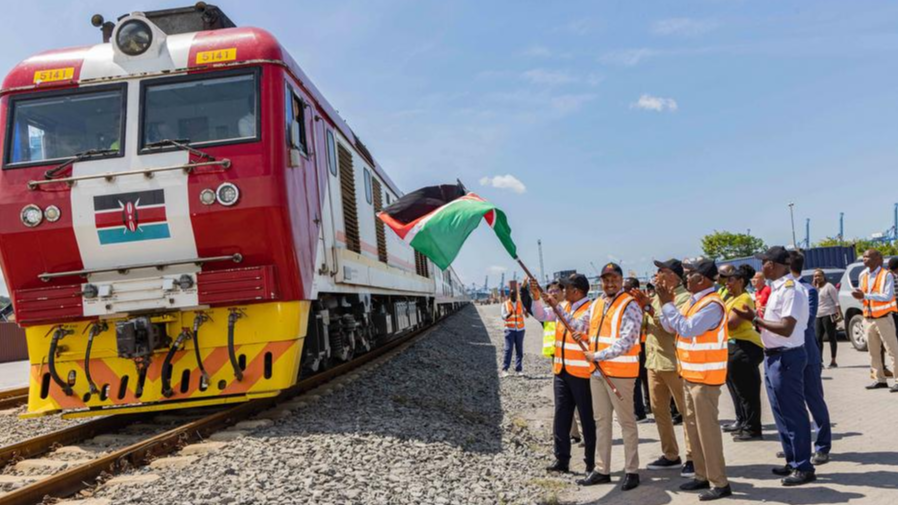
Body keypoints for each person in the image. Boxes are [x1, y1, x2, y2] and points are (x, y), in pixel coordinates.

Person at [551, 264, 643, 491]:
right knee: (601, 422)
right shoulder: (597, 305)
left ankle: (632, 470)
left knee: (626, 423)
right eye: (605, 279)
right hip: (598, 373)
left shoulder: (630, 305)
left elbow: (627, 341)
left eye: (614, 279)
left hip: (620, 373)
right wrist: (556, 307)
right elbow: (577, 325)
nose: (609, 283)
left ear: (621, 280)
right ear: (600, 282)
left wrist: (597, 355)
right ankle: (602, 469)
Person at [733, 246, 815, 486]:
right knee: (781, 412)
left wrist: (754, 319)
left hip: (787, 357)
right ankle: (792, 460)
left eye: (765, 262)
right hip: (774, 356)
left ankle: (803, 466)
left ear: (775, 265)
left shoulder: (790, 290)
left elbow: (786, 327)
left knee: (793, 412)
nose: (762, 266)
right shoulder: (777, 289)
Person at [658, 259, 731, 501]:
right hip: (690, 375)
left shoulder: (712, 305)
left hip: (706, 379)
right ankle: (701, 475)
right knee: (693, 428)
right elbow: (672, 328)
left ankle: (719, 482)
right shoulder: (695, 300)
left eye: (690, 275)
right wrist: (664, 306)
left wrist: (668, 305)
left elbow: (687, 329)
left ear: (702, 279)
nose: (685, 278)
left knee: (707, 431)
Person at [529, 274, 598, 479]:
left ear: (576, 291)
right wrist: (535, 298)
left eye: (565, 289)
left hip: (581, 373)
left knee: (587, 419)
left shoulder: (590, 309)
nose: (562, 292)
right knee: (561, 417)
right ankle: (562, 459)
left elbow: (578, 326)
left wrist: (556, 307)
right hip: (562, 371)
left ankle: (591, 463)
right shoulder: (565, 307)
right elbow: (541, 315)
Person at [631, 260, 694, 478]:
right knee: (659, 411)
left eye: (662, 271)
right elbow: (645, 325)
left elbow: (672, 327)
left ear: (675, 277)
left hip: (673, 362)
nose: (657, 275)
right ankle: (670, 455)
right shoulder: (657, 298)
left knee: (686, 412)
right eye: (657, 271)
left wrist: (648, 308)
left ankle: (693, 457)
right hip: (654, 361)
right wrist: (640, 309)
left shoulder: (684, 297)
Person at [791, 252, 833, 465]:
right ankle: (797, 448)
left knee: (814, 401)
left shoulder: (808, 291)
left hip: (807, 355)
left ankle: (823, 446)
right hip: (788, 356)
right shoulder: (780, 291)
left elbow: (805, 324)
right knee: (793, 404)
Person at [719, 264, 765, 442]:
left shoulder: (744, 298)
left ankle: (753, 428)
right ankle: (745, 423)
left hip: (746, 346)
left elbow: (732, 323)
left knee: (748, 391)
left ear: (741, 281)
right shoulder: (731, 298)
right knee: (739, 390)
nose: (727, 283)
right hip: (733, 346)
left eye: (730, 280)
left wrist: (714, 318)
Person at [852, 249, 898, 393]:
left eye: (868, 257)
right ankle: (879, 379)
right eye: (864, 257)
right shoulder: (863, 275)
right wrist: (859, 296)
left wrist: (865, 295)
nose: (864, 259)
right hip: (868, 319)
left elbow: (887, 296)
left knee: (893, 351)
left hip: (884, 319)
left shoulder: (886, 275)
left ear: (878, 259)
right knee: (873, 352)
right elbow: (862, 296)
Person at [625, 277, 652, 423]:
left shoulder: (640, 304)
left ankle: (642, 409)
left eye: (627, 289)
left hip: (641, 345)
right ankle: (644, 407)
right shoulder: (628, 303)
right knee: (639, 378)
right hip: (634, 345)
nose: (624, 292)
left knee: (641, 378)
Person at [813, 270, 841, 369]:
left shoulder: (829, 286)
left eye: (819, 276)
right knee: (817, 338)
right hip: (818, 315)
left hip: (829, 314)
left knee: (831, 337)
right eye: (815, 276)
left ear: (823, 276)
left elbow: (836, 302)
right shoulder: (815, 288)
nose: (817, 278)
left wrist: (839, 314)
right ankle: (819, 361)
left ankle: (833, 360)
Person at [501, 281, 526, 378]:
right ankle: (504, 369)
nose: (513, 295)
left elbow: (524, 313)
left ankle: (519, 369)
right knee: (508, 349)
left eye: (514, 294)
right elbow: (503, 316)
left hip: (520, 330)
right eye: (511, 294)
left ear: (516, 295)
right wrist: (508, 315)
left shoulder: (520, 303)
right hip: (509, 330)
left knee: (519, 350)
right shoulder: (505, 304)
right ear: (509, 295)